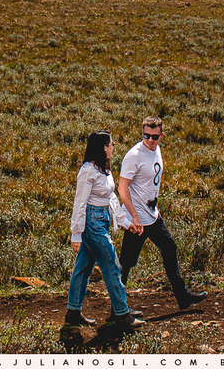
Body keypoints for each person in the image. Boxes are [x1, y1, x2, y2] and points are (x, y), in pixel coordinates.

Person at [118, 116, 208, 310]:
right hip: (137, 220)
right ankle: (118, 308)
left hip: (152, 216)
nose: (150, 140)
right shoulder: (134, 155)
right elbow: (122, 188)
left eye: (155, 136)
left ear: (161, 136)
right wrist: (133, 216)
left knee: (169, 248)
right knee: (127, 263)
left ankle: (183, 297)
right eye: (146, 135)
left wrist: (154, 208)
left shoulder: (156, 150)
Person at [66, 131, 145, 329]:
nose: (113, 146)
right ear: (103, 147)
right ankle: (122, 314)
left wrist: (126, 223)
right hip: (93, 224)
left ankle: (73, 312)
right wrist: (76, 233)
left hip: (101, 220)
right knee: (112, 265)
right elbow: (80, 202)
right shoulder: (88, 171)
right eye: (110, 143)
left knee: (82, 268)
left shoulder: (104, 169)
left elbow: (111, 199)